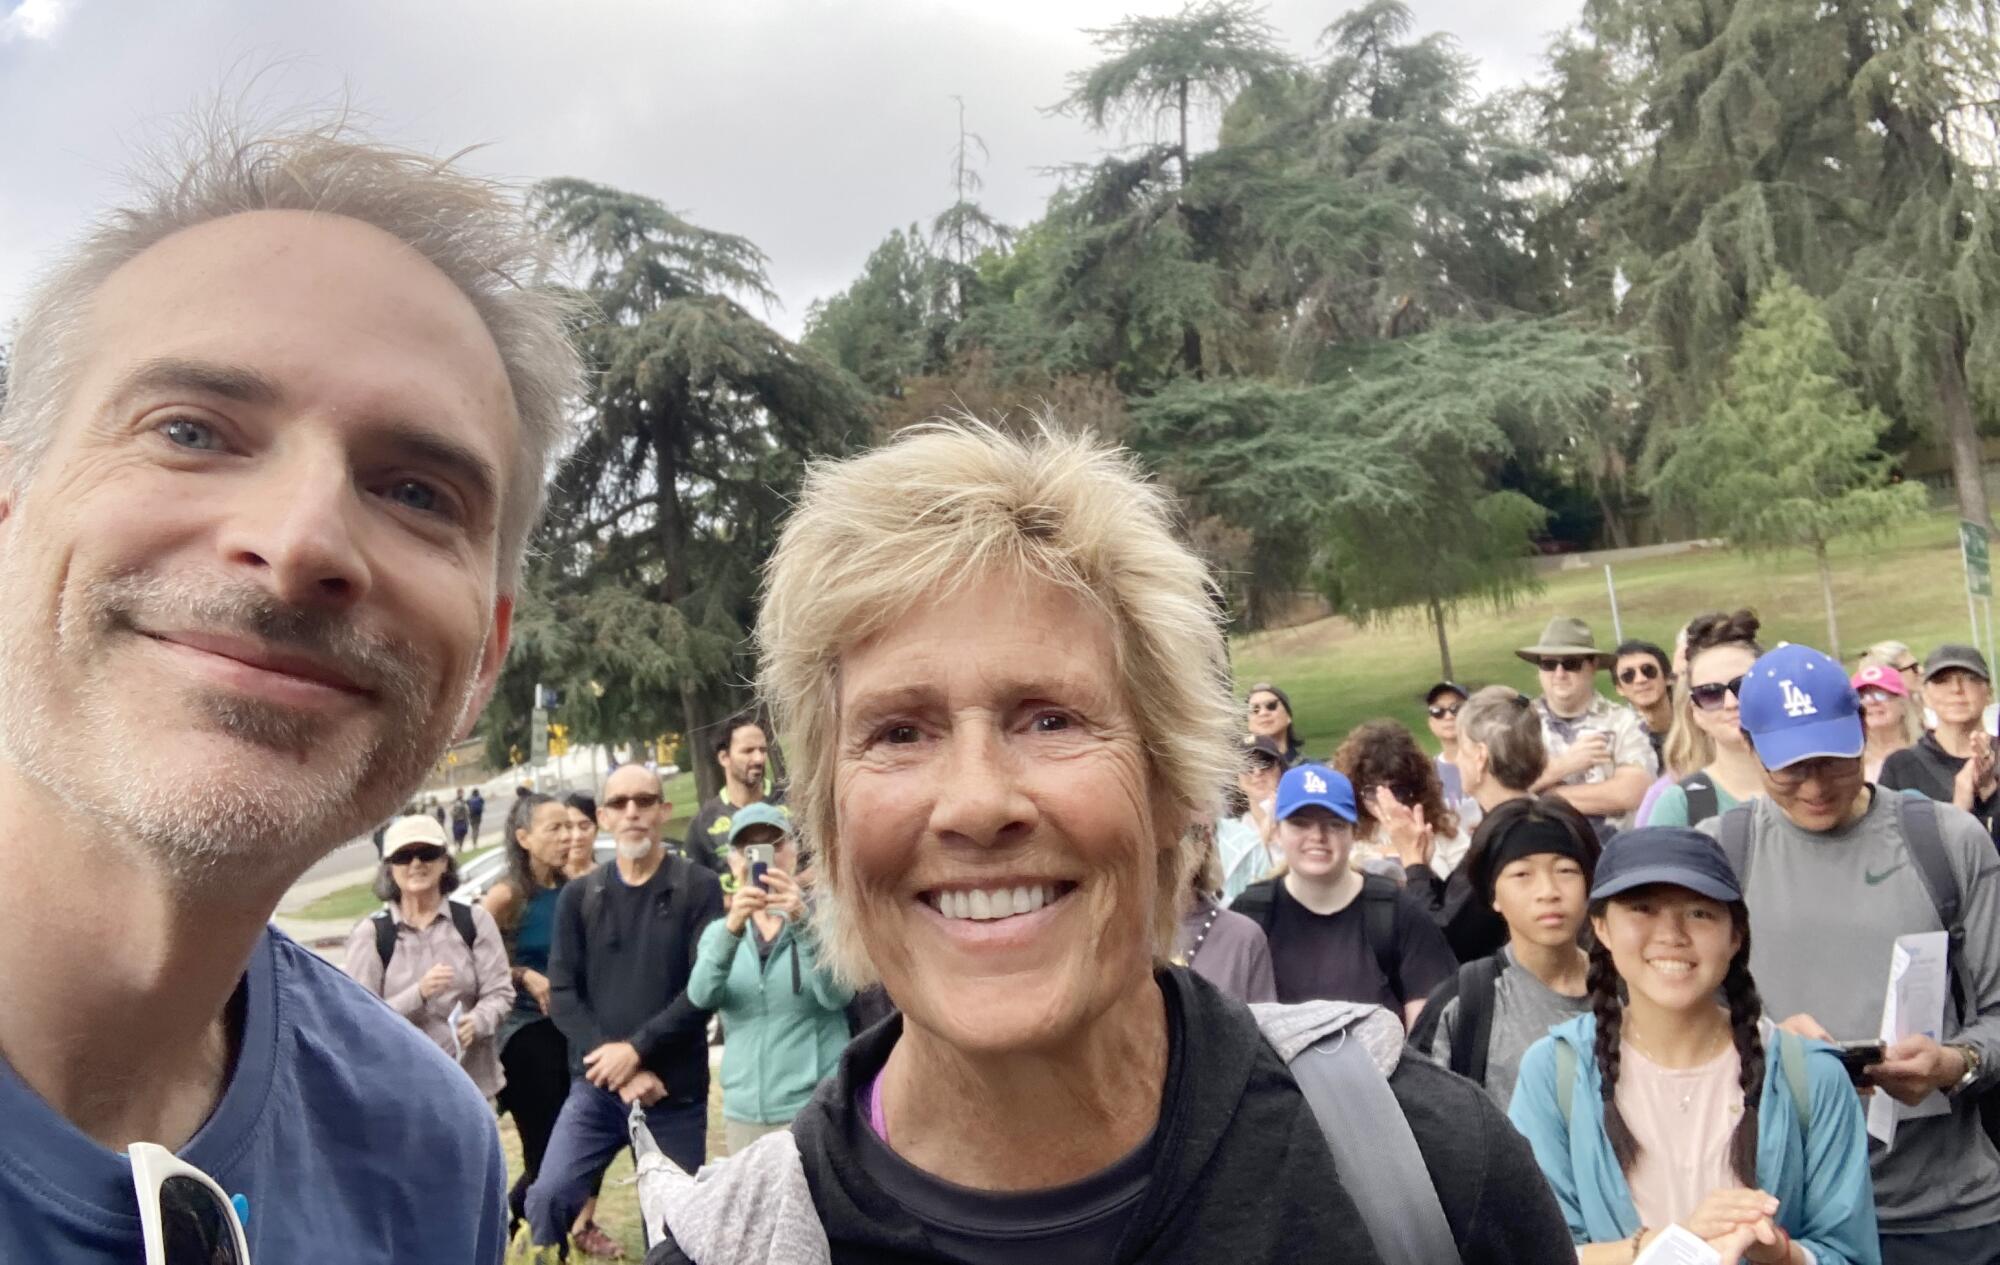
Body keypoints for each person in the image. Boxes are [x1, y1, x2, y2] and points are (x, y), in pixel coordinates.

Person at [639, 421, 1574, 1265]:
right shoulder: (735, 1249)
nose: (975, 802)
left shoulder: (1431, 1172)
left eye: (1050, 719)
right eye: (898, 732)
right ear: (829, 823)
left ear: (1175, 788)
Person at [0, 112, 581, 1259]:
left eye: (418, 492)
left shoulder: (431, 1154)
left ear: (482, 664)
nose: (303, 537)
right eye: (190, 429)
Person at [1706, 642, 2000, 1261]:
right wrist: (1762, 1045)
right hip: (1785, 1221)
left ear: (1864, 730)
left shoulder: (1948, 843)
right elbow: (1668, 1030)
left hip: (1945, 1213)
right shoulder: (1719, 857)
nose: (1815, 787)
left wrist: (1955, 1062)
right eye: (1791, 768)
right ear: (1750, 748)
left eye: (1833, 761)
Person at [1509, 827, 1879, 1263]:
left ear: (1735, 936)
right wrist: (1673, 1244)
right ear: (1602, 928)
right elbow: (1532, 1250)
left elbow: (1852, 1252)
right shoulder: (1554, 1072)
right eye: (1642, 909)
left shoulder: (1811, 1076)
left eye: (1699, 913)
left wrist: (1782, 1254)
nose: (1672, 935)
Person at [521, 763, 725, 1258]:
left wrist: (637, 1052)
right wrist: (618, 1066)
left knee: (672, 1232)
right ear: (604, 818)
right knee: (548, 1198)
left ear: (663, 810)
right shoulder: (580, 896)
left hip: (672, 1092)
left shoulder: (698, 888)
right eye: (619, 803)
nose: (632, 812)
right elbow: (564, 994)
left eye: (644, 801)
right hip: (596, 1089)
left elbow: (702, 993)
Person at [482, 794, 617, 1259]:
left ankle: (508, 1223)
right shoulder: (506, 896)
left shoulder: (578, 887)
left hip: (572, 1028)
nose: (568, 837)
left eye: (571, 827)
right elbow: (476, 962)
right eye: (555, 829)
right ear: (524, 839)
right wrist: (523, 974)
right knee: (545, 1154)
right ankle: (538, 1243)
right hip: (524, 1032)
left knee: (571, 1150)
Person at [1231, 763, 1456, 1026]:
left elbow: (1427, 1034)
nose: (1317, 836)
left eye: (1334, 824)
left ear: (1354, 833)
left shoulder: (1397, 913)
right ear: (1277, 832)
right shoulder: (1250, 916)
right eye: (1300, 824)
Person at [1410, 796, 1599, 1109]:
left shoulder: (1629, 987)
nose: (1549, 891)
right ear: (1493, 894)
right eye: (1522, 875)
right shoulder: (1465, 1002)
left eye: (1565, 870)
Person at [687, 803, 853, 1153]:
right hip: (745, 1111)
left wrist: (802, 921)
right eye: (750, 849)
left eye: (775, 845)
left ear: (793, 852)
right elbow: (701, 996)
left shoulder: (825, 922)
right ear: (734, 862)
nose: (765, 857)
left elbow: (837, 995)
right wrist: (733, 927)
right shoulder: (720, 933)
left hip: (815, 1106)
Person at [344, 814, 513, 1097]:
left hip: (471, 1087)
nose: (416, 864)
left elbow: (501, 993)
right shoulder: (372, 935)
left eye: (428, 854)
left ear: (445, 862)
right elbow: (360, 1019)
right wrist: (418, 993)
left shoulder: (474, 921)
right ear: (389, 868)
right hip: (401, 1091)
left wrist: (477, 1022)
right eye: (403, 856)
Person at [1413, 685, 1550, 962]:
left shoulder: (1504, 834)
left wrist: (1413, 864)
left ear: (1480, 757)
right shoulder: (1548, 816)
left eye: (1462, 750)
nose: (1458, 761)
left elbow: (1442, 940)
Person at [1519, 616, 1659, 831]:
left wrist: (1542, 795)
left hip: (1611, 853)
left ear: (1592, 665)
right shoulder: (1519, 722)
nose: (1559, 674)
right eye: (1548, 664)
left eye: (1570, 664)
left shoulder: (1624, 721)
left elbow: (1631, 792)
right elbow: (1499, 791)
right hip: (1541, 853)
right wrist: (1563, 766)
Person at [1646, 610, 1765, 829]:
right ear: (1695, 712)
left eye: (1743, 686)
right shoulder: (1679, 806)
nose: (1731, 703)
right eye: (1710, 693)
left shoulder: (1819, 786)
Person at [1881, 644, 2000, 838]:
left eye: (1970, 679)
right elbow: (1891, 846)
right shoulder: (1902, 767)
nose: (1956, 689)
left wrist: (1992, 797)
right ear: (1926, 695)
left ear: (1988, 692)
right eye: (1942, 680)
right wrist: (1960, 806)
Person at [1335, 718, 1470, 879]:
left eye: (1397, 790)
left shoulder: (1442, 829)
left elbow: (1466, 892)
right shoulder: (1344, 833)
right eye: (1372, 792)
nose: (1386, 801)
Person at [1175, 822, 1278, 1004]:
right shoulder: (1116, 933)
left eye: (1187, 832)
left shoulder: (1243, 938)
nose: (1168, 845)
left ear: (1206, 841)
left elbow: (1262, 1028)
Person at [680, 712, 773, 873]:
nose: (759, 759)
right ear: (724, 758)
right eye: (748, 751)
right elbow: (691, 885)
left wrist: (788, 886)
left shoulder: (793, 803)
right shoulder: (704, 823)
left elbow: (823, 864)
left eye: (763, 750)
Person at [1214, 734, 1283, 903]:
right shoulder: (1227, 834)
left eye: (1265, 764)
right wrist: (1261, 842)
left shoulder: (1299, 822)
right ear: (1238, 778)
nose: (1257, 772)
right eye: (1248, 766)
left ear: (1279, 769)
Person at [1855, 663, 1925, 782]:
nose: (1871, 702)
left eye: (1881, 695)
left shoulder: (1927, 754)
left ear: (1903, 704)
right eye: (1863, 696)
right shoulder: (1850, 764)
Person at [1425, 681, 1480, 829]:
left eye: (1456, 708)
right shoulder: (1428, 772)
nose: (1448, 716)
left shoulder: (1487, 761)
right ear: (1431, 723)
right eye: (1437, 711)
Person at [1613, 639, 1675, 768]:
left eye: (1648, 670)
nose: (1640, 679)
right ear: (1619, 688)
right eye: (1628, 675)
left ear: (1668, 678)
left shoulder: (1698, 723)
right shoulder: (1620, 740)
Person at [1245, 680, 1306, 766]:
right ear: (1249, 723)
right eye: (1255, 709)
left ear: (1288, 716)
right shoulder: (1237, 773)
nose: (1263, 713)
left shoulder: (1311, 772)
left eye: (1271, 706)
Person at [563, 791, 603, 878]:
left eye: (585, 826)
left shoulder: (607, 880)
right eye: (569, 827)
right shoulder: (546, 881)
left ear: (596, 829)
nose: (577, 836)